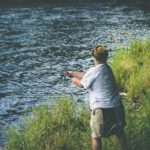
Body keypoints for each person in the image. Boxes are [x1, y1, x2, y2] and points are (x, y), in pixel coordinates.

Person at [66, 44, 128, 150]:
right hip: (116, 107)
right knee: (120, 133)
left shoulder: (94, 71)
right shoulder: (107, 68)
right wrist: (73, 73)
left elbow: (82, 84)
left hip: (100, 109)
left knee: (96, 138)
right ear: (106, 57)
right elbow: (89, 74)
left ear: (93, 57)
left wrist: (73, 80)